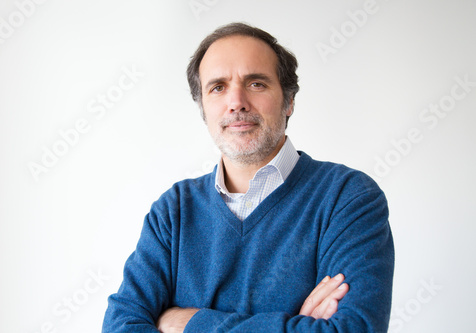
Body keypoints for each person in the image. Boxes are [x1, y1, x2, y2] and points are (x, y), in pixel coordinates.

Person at [102, 22, 394, 332]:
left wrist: (188, 322)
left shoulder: (347, 198)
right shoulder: (173, 211)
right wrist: (296, 326)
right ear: (203, 108)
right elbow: (121, 324)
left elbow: (353, 329)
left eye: (256, 83)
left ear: (289, 100)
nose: (236, 101)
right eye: (218, 87)